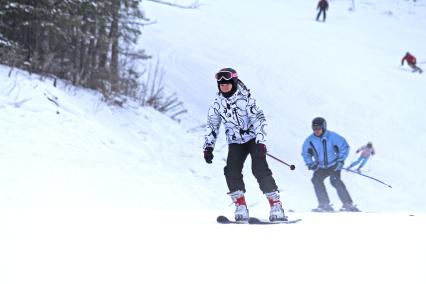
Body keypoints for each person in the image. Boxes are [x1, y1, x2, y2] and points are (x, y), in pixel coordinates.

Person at [203, 67, 286, 222]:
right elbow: (212, 125)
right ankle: (240, 206)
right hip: (235, 142)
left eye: (227, 84)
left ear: (234, 83)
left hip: (253, 139)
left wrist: (261, 142)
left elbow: (259, 120)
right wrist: (208, 147)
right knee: (231, 170)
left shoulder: (246, 100)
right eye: (221, 85)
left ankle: (276, 205)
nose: (224, 86)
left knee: (259, 169)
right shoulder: (217, 104)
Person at [301, 117, 360, 212]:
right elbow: (305, 153)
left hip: (334, 164)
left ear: (324, 127)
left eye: (319, 128)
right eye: (314, 129)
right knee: (316, 180)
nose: (316, 131)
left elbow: (344, 147)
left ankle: (348, 204)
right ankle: (324, 204)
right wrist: (310, 164)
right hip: (321, 166)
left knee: (335, 180)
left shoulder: (333, 137)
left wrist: (340, 160)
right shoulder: (310, 140)